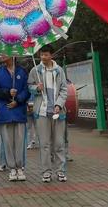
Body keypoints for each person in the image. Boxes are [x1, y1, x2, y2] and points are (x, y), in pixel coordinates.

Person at [28, 45, 68, 183]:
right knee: (44, 144)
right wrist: (36, 88)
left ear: (51, 55)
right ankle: (46, 172)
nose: (43, 57)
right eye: (41, 55)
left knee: (58, 143)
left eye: (46, 54)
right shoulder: (35, 71)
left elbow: (64, 89)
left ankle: (61, 171)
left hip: (58, 112)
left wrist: (58, 104)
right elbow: (29, 87)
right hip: (42, 112)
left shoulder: (59, 71)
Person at [0, 55, 29, 182]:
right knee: (7, 142)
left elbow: (27, 90)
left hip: (19, 111)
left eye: (5, 53)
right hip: (4, 110)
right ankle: (12, 167)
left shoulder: (22, 71)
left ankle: (20, 167)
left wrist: (17, 100)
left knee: (20, 141)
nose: (2, 56)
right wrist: (7, 93)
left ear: (13, 54)